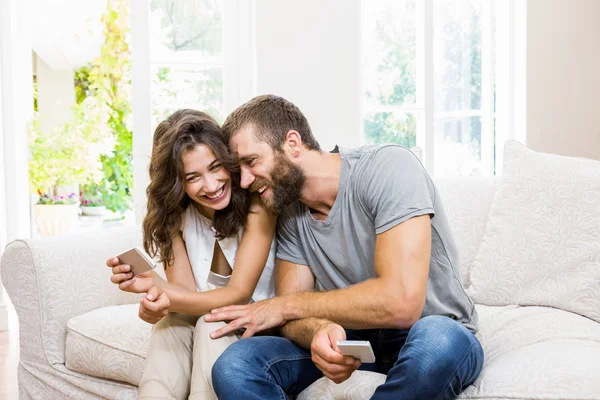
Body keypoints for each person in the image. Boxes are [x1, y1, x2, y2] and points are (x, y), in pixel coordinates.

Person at [205, 95, 484, 400]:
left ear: (293, 144)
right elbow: (291, 317)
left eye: (251, 162)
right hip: (354, 338)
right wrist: (319, 330)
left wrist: (285, 306)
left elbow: (402, 302)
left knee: (436, 345)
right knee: (235, 365)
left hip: (432, 329)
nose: (244, 181)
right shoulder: (288, 211)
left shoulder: (389, 167)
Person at [105, 109, 277, 400]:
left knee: (210, 326)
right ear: (176, 183)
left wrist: (164, 292)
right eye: (193, 177)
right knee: (169, 324)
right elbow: (185, 293)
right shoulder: (176, 216)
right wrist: (151, 290)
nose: (211, 186)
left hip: (261, 321)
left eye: (215, 167)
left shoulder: (258, 203)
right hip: (210, 315)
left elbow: (238, 293)